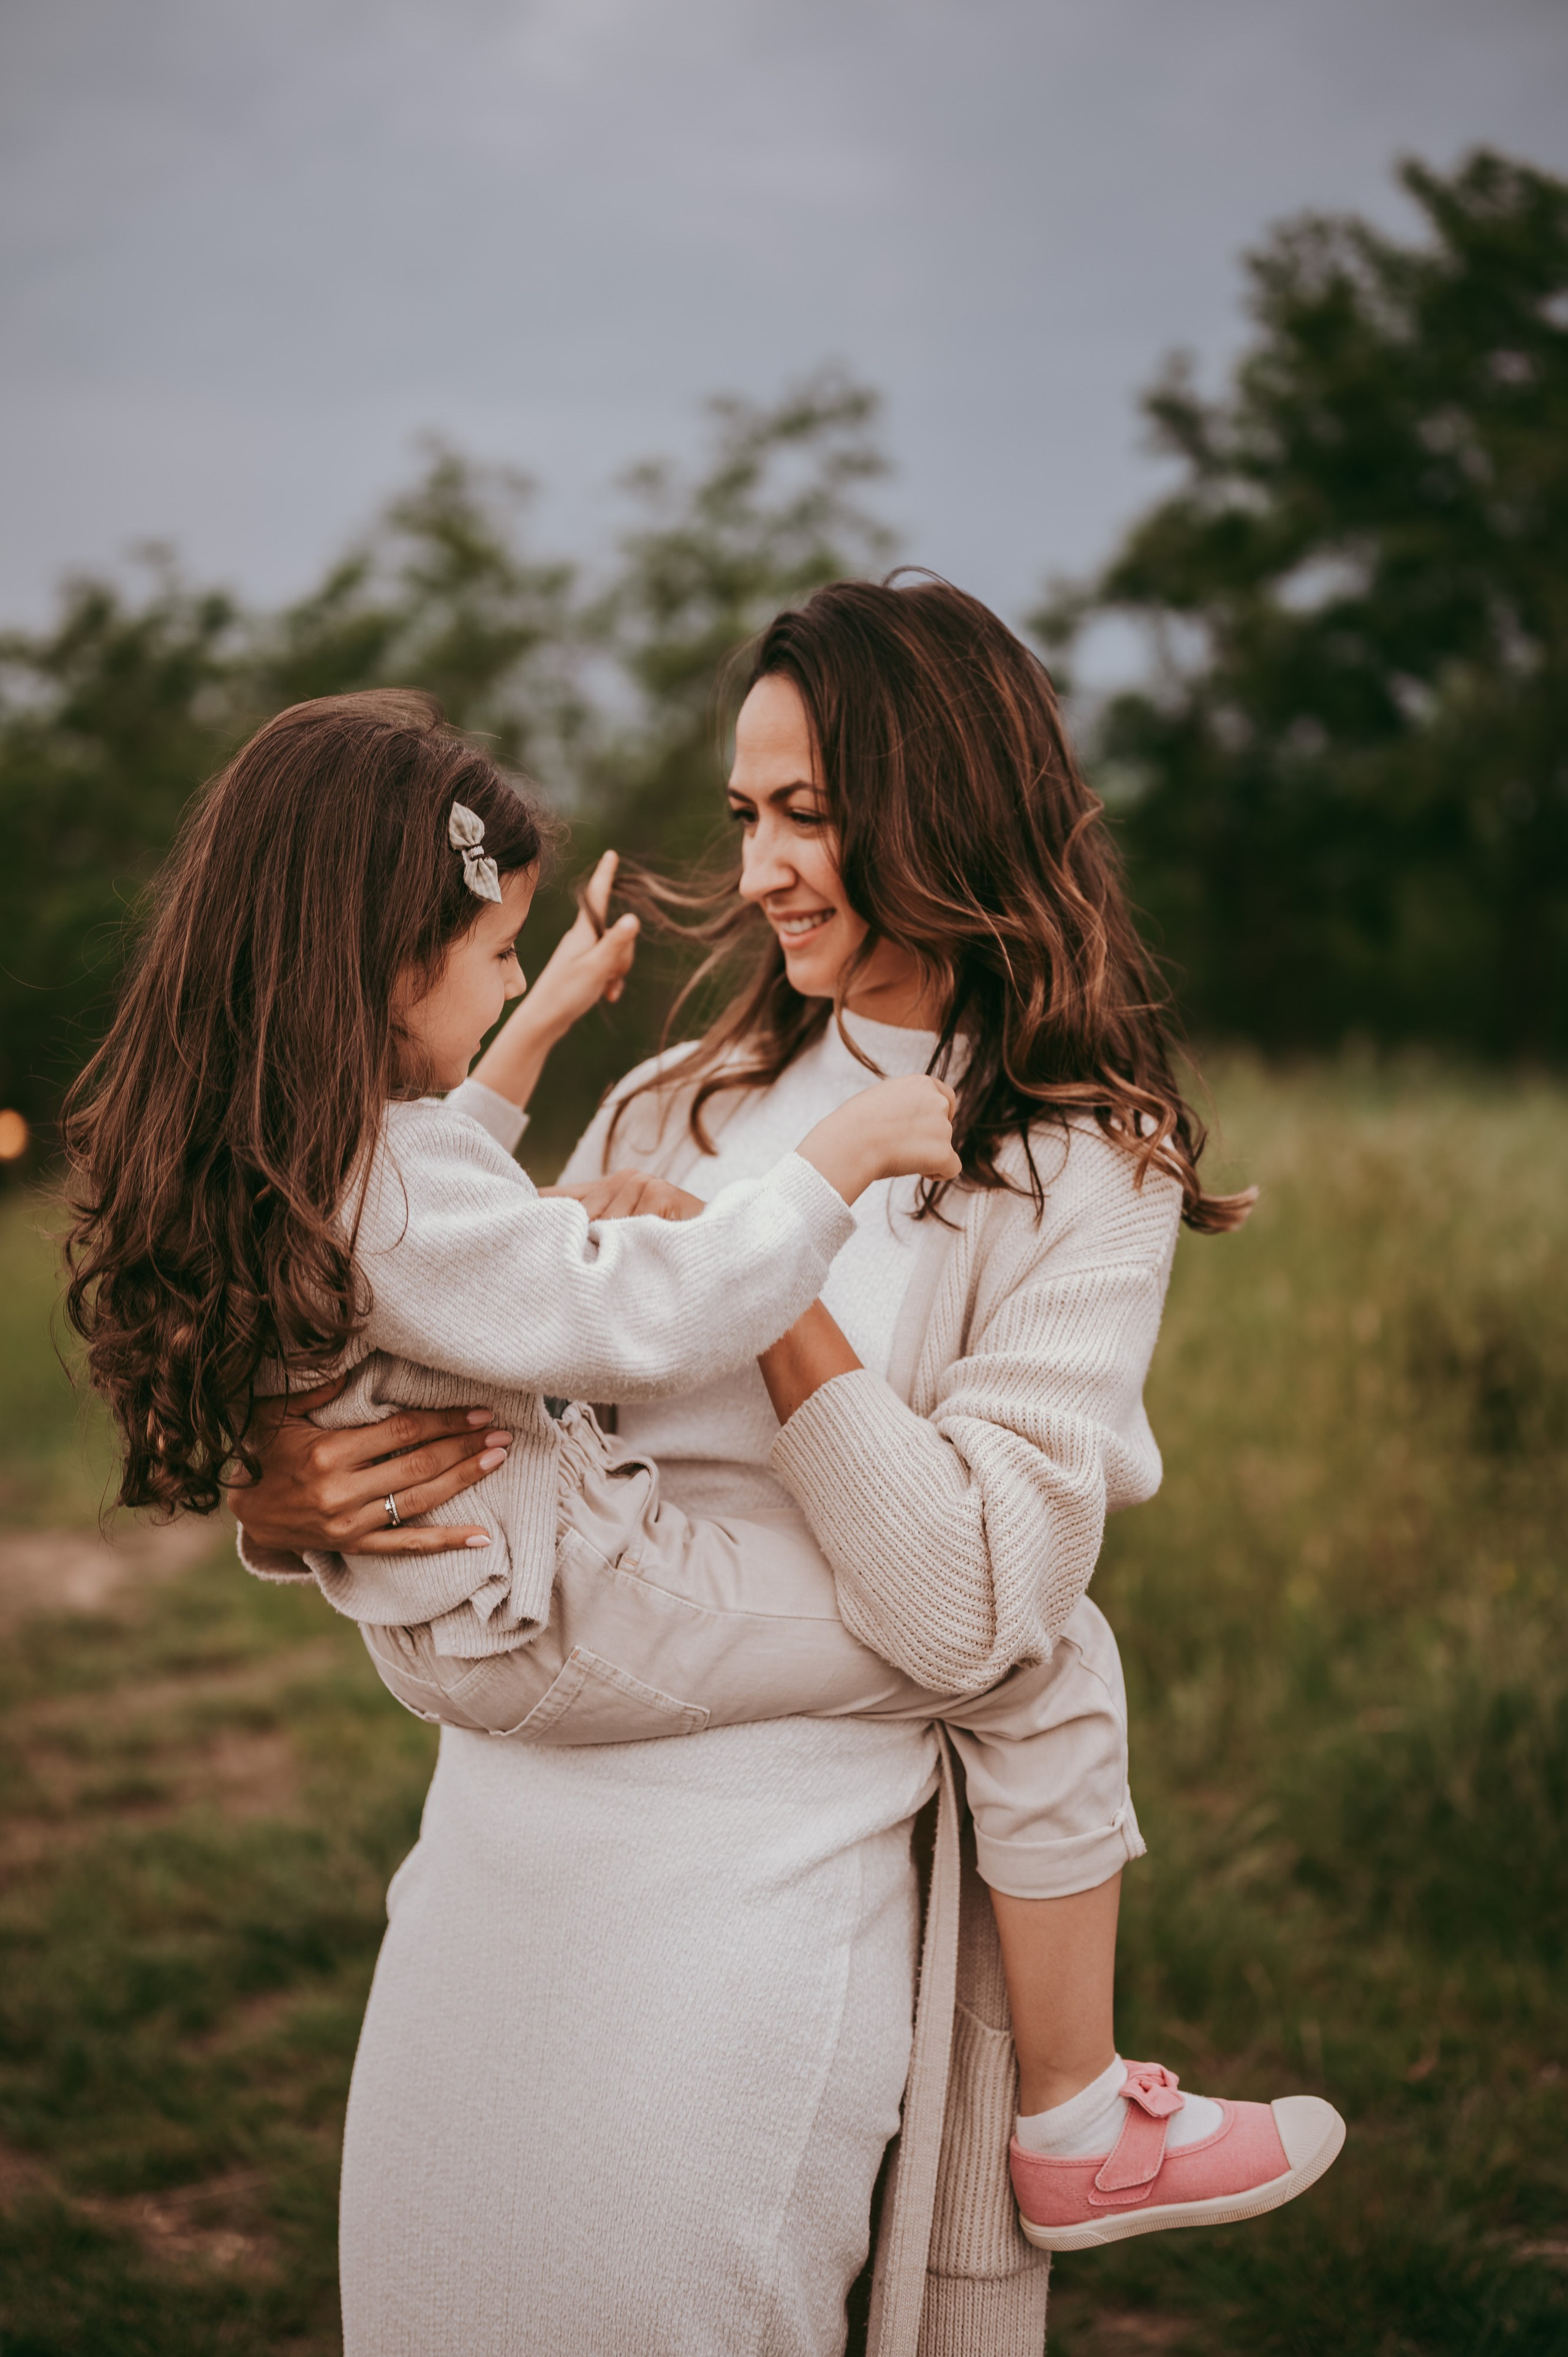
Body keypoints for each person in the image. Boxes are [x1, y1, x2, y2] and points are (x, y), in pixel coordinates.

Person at [221, 586, 1346, 2353]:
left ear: (950, 805)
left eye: (811, 814)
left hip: (748, 1919)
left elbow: (980, 1607)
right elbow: (479, 1359)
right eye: (750, 815)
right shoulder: (675, 1094)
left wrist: (765, 1288)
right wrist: (281, 1495)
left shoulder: (1083, 1164)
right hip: (495, 1865)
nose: (759, 870)